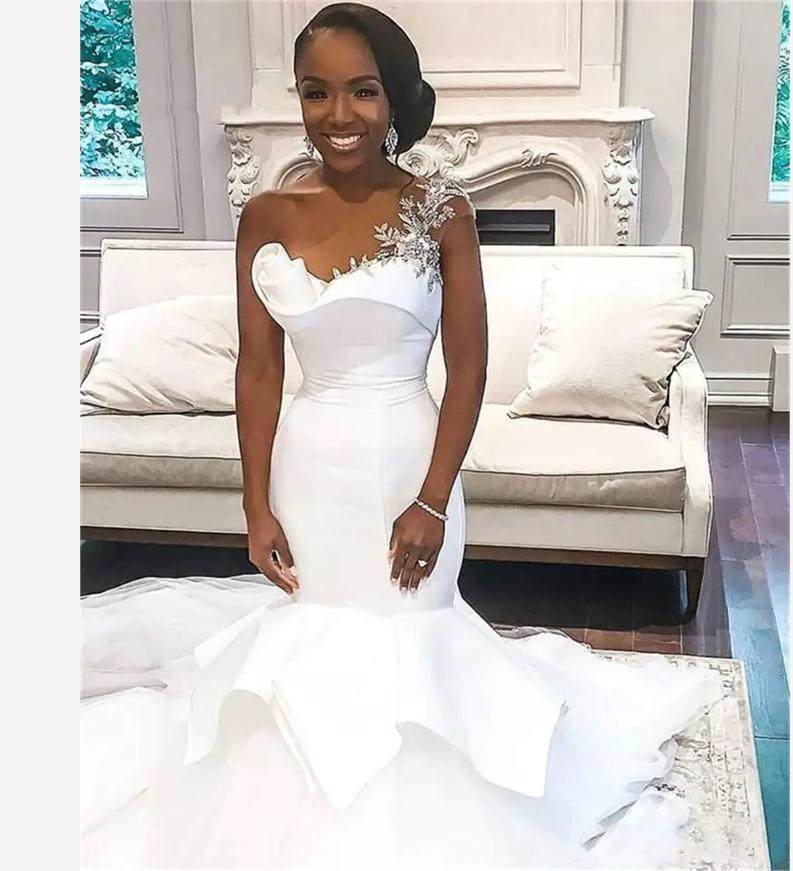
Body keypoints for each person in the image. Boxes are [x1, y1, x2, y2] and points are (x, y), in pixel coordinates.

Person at [81, 4, 722, 868]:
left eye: (362, 91)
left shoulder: (440, 211)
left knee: (410, 629)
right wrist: (255, 503)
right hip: (310, 468)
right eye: (316, 92)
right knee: (317, 632)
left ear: (394, 99)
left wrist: (431, 499)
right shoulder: (266, 215)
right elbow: (258, 370)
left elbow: (468, 364)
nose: (338, 114)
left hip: (407, 463)